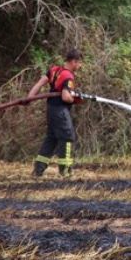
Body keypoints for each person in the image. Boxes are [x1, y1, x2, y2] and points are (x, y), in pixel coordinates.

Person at [27, 49, 84, 178]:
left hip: (51, 109)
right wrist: (76, 100)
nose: (80, 66)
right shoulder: (68, 76)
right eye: (79, 63)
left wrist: (29, 97)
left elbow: (40, 83)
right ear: (74, 62)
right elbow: (65, 96)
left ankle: (38, 170)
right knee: (67, 137)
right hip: (60, 111)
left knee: (51, 139)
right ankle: (66, 171)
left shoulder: (54, 70)